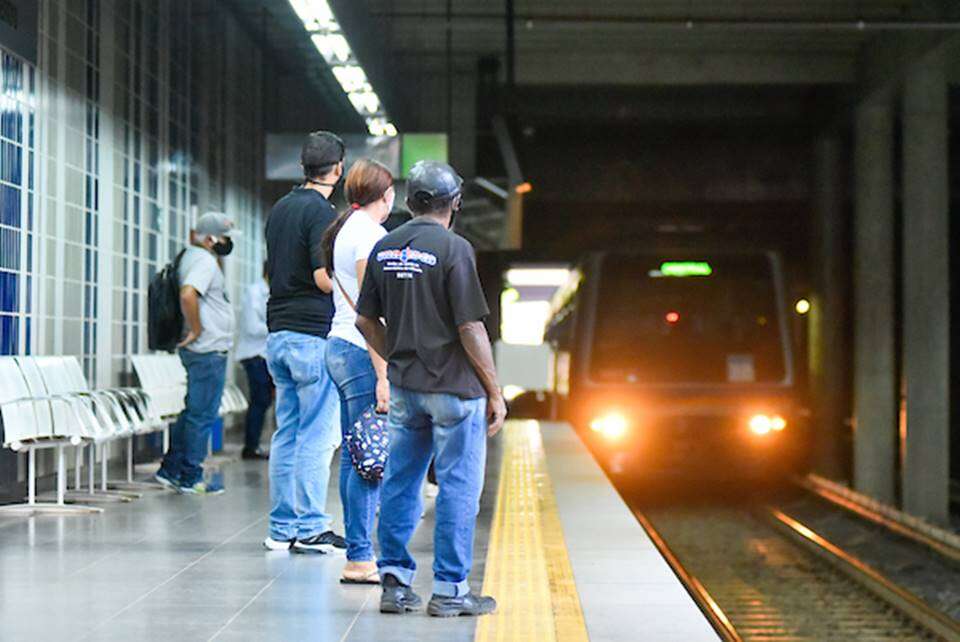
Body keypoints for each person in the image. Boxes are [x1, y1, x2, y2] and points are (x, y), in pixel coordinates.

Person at [355, 160, 507, 617]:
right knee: (459, 487)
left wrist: (398, 354)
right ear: (456, 202)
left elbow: (365, 319)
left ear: (407, 200)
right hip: (456, 391)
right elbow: (470, 326)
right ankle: (449, 590)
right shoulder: (455, 248)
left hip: (405, 386)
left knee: (401, 482)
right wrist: (495, 392)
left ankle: (395, 583)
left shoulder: (385, 247)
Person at [261, 131, 347, 554]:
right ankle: (311, 526)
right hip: (312, 335)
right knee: (316, 434)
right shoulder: (321, 212)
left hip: (277, 334)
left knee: (287, 433)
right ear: (338, 170)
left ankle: (281, 528)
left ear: (302, 167)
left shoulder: (280, 208)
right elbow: (321, 278)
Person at [321, 159, 394, 584]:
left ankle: (358, 553)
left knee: (356, 455)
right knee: (369, 455)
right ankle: (362, 556)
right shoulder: (370, 235)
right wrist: (383, 373)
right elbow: (372, 311)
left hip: (339, 346)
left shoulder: (345, 229)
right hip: (361, 351)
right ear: (385, 197)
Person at [155, 212, 238, 495]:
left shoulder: (190, 257)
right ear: (211, 238)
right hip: (207, 350)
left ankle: (171, 469)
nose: (227, 244)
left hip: (203, 350)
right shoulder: (203, 261)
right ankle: (191, 475)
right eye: (225, 238)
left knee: (193, 412)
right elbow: (188, 294)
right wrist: (197, 329)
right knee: (202, 415)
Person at [236, 260, 272, 460]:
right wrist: (275, 325)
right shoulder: (254, 292)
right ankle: (250, 447)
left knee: (263, 400)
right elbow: (252, 327)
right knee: (260, 400)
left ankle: (254, 444)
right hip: (253, 354)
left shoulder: (269, 292)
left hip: (264, 354)